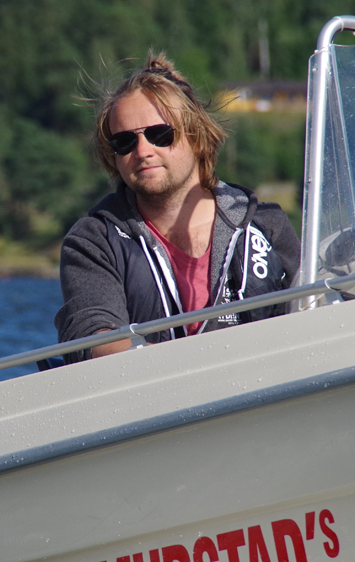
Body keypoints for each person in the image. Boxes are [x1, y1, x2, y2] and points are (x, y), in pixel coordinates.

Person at [54, 53, 300, 363]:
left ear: (197, 136)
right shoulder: (95, 241)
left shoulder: (266, 225)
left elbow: (315, 309)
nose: (143, 151)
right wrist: (186, 367)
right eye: (124, 142)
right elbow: (92, 336)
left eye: (160, 135)